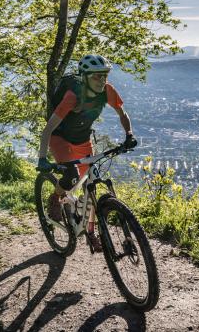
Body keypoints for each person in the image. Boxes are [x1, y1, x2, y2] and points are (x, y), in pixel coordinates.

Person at [37, 54, 137, 252]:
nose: (101, 81)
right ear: (84, 77)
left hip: (82, 137)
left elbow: (122, 113)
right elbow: (48, 130)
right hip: (60, 137)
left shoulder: (107, 91)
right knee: (72, 176)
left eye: (104, 76)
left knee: (90, 185)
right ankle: (55, 197)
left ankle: (90, 232)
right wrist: (42, 158)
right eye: (96, 76)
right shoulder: (72, 97)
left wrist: (129, 135)